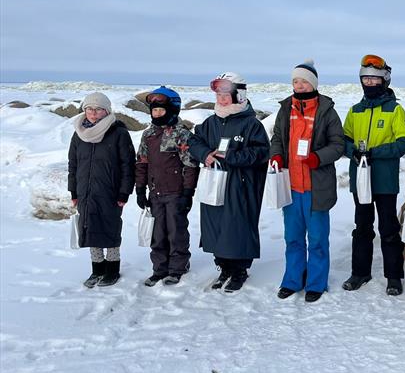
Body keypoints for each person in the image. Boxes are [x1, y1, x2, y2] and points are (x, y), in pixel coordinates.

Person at [269, 60, 345, 302]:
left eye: (303, 81)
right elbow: (277, 138)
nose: (299, 85)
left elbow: (338, 144)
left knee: (317, 240)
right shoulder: (286, 109)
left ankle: (316, 283)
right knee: (292, 238)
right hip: (291, 186)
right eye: (295, 81)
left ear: (313, 83)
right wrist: (276, 155)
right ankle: (292, 280)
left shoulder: (327, 111)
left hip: (316, 188)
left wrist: (318, 158)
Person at [188, 72, 269, 292]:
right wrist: (205, 154)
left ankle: (239, 270)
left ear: (239, 95)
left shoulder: (251, 124)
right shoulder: (211, 122)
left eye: (226, 95)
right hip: (214, 182)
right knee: (216, 224)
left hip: (240, 185)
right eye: (219, 95)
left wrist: (232, 156)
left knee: (238, 226)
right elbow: (193, 141)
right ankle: (223, 267)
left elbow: (261, 152)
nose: (222, 99)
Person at [341, 54, 405, 296]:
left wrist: (375, 153)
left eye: (374, 78)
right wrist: (353, 151)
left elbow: (403, 143)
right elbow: (344, 140)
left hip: (384, 180)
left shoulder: (395, 110)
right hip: (360, 179)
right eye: (366, 78)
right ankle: (360, 272)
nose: (370, 82)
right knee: (362, 227)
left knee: (388, 228)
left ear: (384, 80)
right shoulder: (355, 111)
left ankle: (394, 276)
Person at [68, 92, 135, 287]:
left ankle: (112, 270)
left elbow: (128, 165)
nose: (93, 113)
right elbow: (73, 165)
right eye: (89, 108)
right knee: (90, 228)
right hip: (85, 192)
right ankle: (97, 269)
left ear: (106, 111)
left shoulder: (119, 133)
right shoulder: (79, 133)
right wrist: (73, 191)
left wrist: (124, 192)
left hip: (110, 192)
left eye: (98, 109)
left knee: (110, 228)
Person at [135, 86, 199, 286]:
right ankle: (159, 268)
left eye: (161, 110)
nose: (157, 114)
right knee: (157, 232)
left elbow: (190, 165)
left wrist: (188, 192)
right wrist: (140, 189)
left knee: (175, 230)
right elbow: (142, 162)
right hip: (155, 191)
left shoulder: (181, 134)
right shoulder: (148, 135)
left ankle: (178, 267)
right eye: (154, 110)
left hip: (175, 192)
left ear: (172, 110)